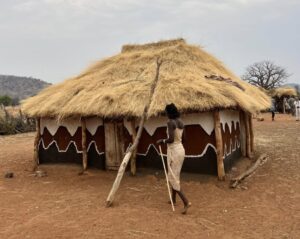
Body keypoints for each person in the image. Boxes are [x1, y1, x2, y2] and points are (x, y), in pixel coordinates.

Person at [156, 103, 191, 214]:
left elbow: (170, 139)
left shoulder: (170, 122)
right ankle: (174, 199)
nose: (165, 113)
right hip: (181, 150)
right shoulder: (181, 122)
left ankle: (186, 202)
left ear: (169, 112)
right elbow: (185, 139)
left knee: (172, 177)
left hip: (174, 151)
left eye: (166, 112)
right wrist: (176, 142)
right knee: (175, 175)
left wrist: (162, 141)